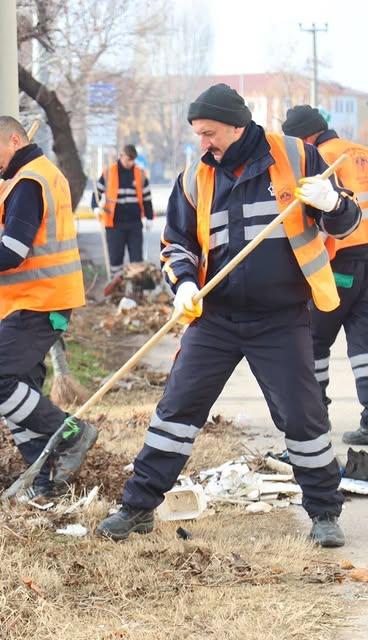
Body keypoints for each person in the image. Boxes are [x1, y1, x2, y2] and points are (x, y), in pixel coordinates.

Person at [96, 84, 362, 547]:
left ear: (238, 126)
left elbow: (347, 223)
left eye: (210, 133)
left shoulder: (299, 158)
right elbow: (176, 243)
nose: (204, 142)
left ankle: (323, 513)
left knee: (302, 417)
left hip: (280, 318)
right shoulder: (194, 177)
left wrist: (333, 205)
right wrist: (182, 283)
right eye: (198, 133)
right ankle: (137, 507)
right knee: (176, 411)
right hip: (214, 318)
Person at [0, 116, 98, 499]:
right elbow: (27, 231)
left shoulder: (28, 182)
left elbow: (13, 251)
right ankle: (42, 481)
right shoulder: (37, 174)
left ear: (15, 140)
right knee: (22, 391)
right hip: (40, 300)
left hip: (39, 303)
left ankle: (72, 432)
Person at [282, 105, 368, 445]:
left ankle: (315, 419)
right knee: (364, 345)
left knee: (314, 340)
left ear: (305, 137)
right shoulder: (360, 151)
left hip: (341, 263)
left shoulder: (320, 158)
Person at [92, 144, 154, 276]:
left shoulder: (140, 174)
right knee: (115, 261)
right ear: (121, 156)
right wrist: (96, 208)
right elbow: (96, 193)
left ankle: (136, 292)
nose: (130, 163)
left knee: (137, 261)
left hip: (134, 224)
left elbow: (147, 198)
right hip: (114, 225)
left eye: (133, 160)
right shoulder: (109, 172)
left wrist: (149, 218)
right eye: (128, 160)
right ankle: (117, 291)